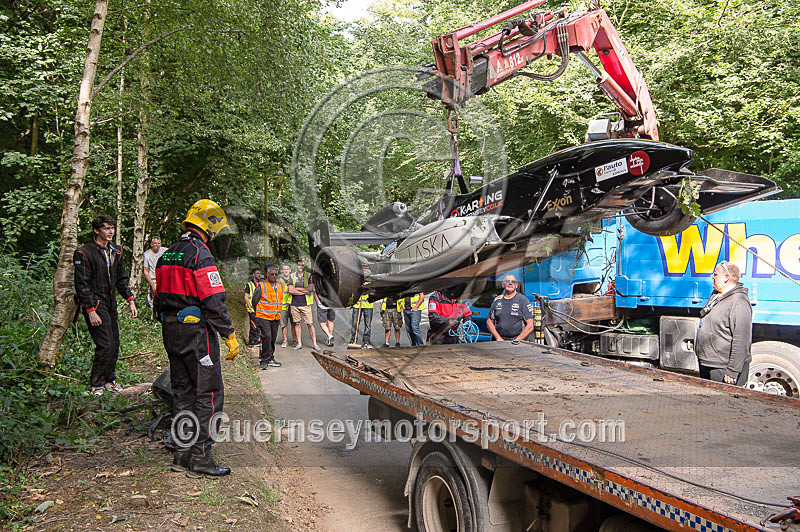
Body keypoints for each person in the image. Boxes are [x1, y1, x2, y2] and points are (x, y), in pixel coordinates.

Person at [155, 199, 239, 478]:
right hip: (196, 332)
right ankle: (201, 457)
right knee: (209, 393)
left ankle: (182, 453)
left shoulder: (168, 254)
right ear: (210, 227)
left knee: (182, 391)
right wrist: (228, 332)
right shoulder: (199, 254)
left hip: (171, 330)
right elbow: (212, 299)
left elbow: (158, 296)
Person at [73, 214, 138, 396]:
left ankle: (110, 380)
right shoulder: (84, 252)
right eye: (106, 228)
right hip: (95, 302)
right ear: (96, 230)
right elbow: (82, 285)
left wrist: (130, 299)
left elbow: (121, 279)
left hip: (110, 302)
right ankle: (96, 384)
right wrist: (91, 310)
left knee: (115, 343)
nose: (110, 232)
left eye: (112, 228)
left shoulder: (117, 251)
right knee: (105, 344)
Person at [696, 260, 753, 386]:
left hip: (722, 366)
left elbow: (742, 339)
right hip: (709, 362)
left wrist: (733, 370)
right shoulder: (717, 295)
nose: (712, 276)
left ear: (727, 277)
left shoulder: (739, 301)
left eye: (715, 274)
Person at [251, 265, 283, 370]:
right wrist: (257, 314)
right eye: (272, 274)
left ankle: (271, 358)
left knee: (273, 338)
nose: (274, 276)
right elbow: (254, 301)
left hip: (275, 317)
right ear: (267, 274)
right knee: (267, 337)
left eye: (275, 274)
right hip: (263, 316)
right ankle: (264, 360)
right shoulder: (261, 285)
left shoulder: (280, 285)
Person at [486, 274, 534, 342]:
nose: (510, 283)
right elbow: (489, 322)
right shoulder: (497, 300)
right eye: (507, 281)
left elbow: (530, 325)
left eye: (513, 282)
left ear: (516, 285)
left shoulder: (523, 300)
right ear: (503, 284)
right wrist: (498, 338)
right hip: (499, 341)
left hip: (517, 342)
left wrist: (517, 340)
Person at [289, 258, 319, 351]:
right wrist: (303, 291)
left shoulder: (308, 276)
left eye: (302, 265)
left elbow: (310, 288)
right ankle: (299, 343)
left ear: (304, 266)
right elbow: (290, 290)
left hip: (306, 304)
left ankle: (315, 344)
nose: (300, 267)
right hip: (294, 304)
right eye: (298, 265)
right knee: (297, 323)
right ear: (296, 266)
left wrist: (296, 289)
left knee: (310, 324)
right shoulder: (292, 276)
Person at [143, 236, 167, 319]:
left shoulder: (165, 250)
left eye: (158, 243)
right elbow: (146, 271)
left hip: (164, 278)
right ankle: (154, 317)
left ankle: (164, 316)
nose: (156, 245)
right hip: (154, 278)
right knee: (154, 299)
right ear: (151, 244)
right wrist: (152, 284)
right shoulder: (147, 255)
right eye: (155, 243)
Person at [244, 268, 263, 347]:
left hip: (259, 308)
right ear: (253, 275)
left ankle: (253, 340)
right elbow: (246, 297)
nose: (259, 275)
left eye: (260, 273)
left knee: (257, 324)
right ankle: (253, 341)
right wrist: (250, 308)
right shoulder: (249, 285)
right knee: (254, 325)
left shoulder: (261, 284)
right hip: (252, 308)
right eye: (257, 273)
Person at [279, 263, 296, 347]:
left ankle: (294, 340)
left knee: (294, 323)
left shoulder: (294, 280)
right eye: (284, 269)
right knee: (283, 324)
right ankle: (285, 340)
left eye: (287, 269)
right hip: (283, 305)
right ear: (282, 271)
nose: (286, 271)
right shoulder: (279, 281)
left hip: (292, 304)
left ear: (290, 270)